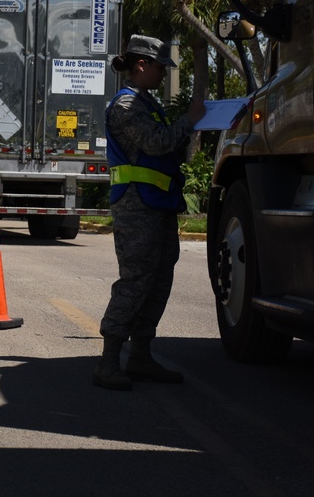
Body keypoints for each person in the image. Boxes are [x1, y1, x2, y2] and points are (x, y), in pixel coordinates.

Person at [93, 35, 206, 391]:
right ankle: (109, 363)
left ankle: (141, 357)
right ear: (141, 64)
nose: (162, 75)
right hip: (136, 207)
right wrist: (190, 120)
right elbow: (156, 142)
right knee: (136, 280)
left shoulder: (146, 102)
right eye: (160, 68)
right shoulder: (127, 106)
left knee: (158, 281)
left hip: (157, 204)